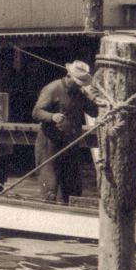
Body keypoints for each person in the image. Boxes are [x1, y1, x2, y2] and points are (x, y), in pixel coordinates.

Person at [32, 61, 99, 204]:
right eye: (78, 82)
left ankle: (68, 211)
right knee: (50, 185)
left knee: (72, 187)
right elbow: (36, 112)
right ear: (69, 76)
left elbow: (94, 112)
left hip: (70, 143)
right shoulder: (52, 89)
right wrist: (52, 116)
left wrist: (92, 96)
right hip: (50, 143)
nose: (79, 85)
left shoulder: (79, 93)